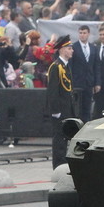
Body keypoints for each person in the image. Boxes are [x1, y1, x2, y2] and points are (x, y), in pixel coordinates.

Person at [46, 35, 76, 169]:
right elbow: (53, 91)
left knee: (65, 138)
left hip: (67, 108)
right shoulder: (56, 67)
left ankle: (64, 163)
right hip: (60, 109)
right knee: (59, 138)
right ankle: (58, 165)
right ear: (62, 49)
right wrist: (55, 110)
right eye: (69, 48)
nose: (72, 51)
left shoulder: (66, 66)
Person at [69, 25, 99, 121]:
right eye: (80, 33)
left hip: (89, 83)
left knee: (87, 108)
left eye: (84, 33)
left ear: (88, 34)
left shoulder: (93, 48)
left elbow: (96, 66)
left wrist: (97, 83)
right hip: (77, 83)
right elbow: (70, 66)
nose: (82, 35)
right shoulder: (73, 47)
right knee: (77, 108)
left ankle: (86, 124)